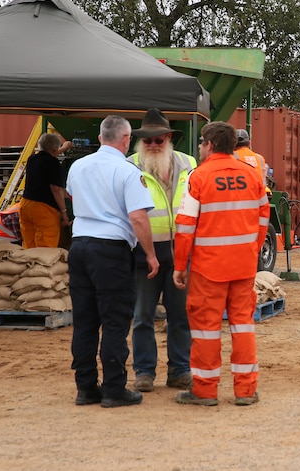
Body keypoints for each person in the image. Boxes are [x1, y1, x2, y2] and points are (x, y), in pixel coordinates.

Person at [172, 121, 269, 407]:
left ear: (209, 145)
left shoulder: (199, 176)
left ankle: (204, 391)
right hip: (243, 265)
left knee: (205, 329)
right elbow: (263, 218)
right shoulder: (252, 175)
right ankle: (246, 390)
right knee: (243, 326)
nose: (200, 147)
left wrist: (180, 265)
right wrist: (251, 250)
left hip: (208, 268)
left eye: (201, 143)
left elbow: (186, 224)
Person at [67, 115, 158, 408]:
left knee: (84, 321)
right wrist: (151, 254)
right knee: (114, 320)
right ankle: (114, 388)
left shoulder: (77, 166)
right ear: (126, 139)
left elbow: (72, 196)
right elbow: (138, 217)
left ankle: (85, 387)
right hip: (111, 250)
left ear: (100, 138)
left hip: (79, 245)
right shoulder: (128, 171)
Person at [127, 109, 196, 394]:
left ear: (169, 138)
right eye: (148, 141)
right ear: (140, 142)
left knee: (180, 316)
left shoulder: (188, 164)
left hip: (181, 252)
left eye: (158, 139)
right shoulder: (130, 166)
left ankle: (179, 370)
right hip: (145, 254)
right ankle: (144, 372)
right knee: (143, 315)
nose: (153, 145)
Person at [20, 133, 72, 248]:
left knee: (29, 245)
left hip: (25, 205)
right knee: (45, 249)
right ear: (54, 149)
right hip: (44, 210)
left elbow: (47, 153)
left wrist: (63, 148)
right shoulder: (53, 164)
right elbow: (56, 189)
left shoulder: (32, 159)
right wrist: (64, 213)